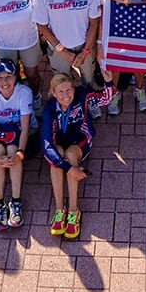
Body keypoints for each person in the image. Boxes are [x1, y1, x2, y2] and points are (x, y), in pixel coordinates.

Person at [0, 60, 34, 230]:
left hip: (18, 133)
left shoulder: (24, 92)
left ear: (15, 77)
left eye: (8, 77)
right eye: (0, 77)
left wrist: (20, 153)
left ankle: (16, 201)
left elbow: (25, 127)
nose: (5, 82)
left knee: (12, 150)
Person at [41, 73, 95, 240]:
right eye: (61, 92)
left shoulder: (82, 95)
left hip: (80, 142)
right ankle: (59, 210)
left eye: (68, 90)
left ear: (74, 88)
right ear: (53, 93)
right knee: (56, 154)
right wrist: (70, 170)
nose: (66, 95)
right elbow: (46, 145)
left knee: (70, 154)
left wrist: (108, 81)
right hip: (59, 145)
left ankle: (73, 210)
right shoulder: (49, 109)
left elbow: (106, 98)